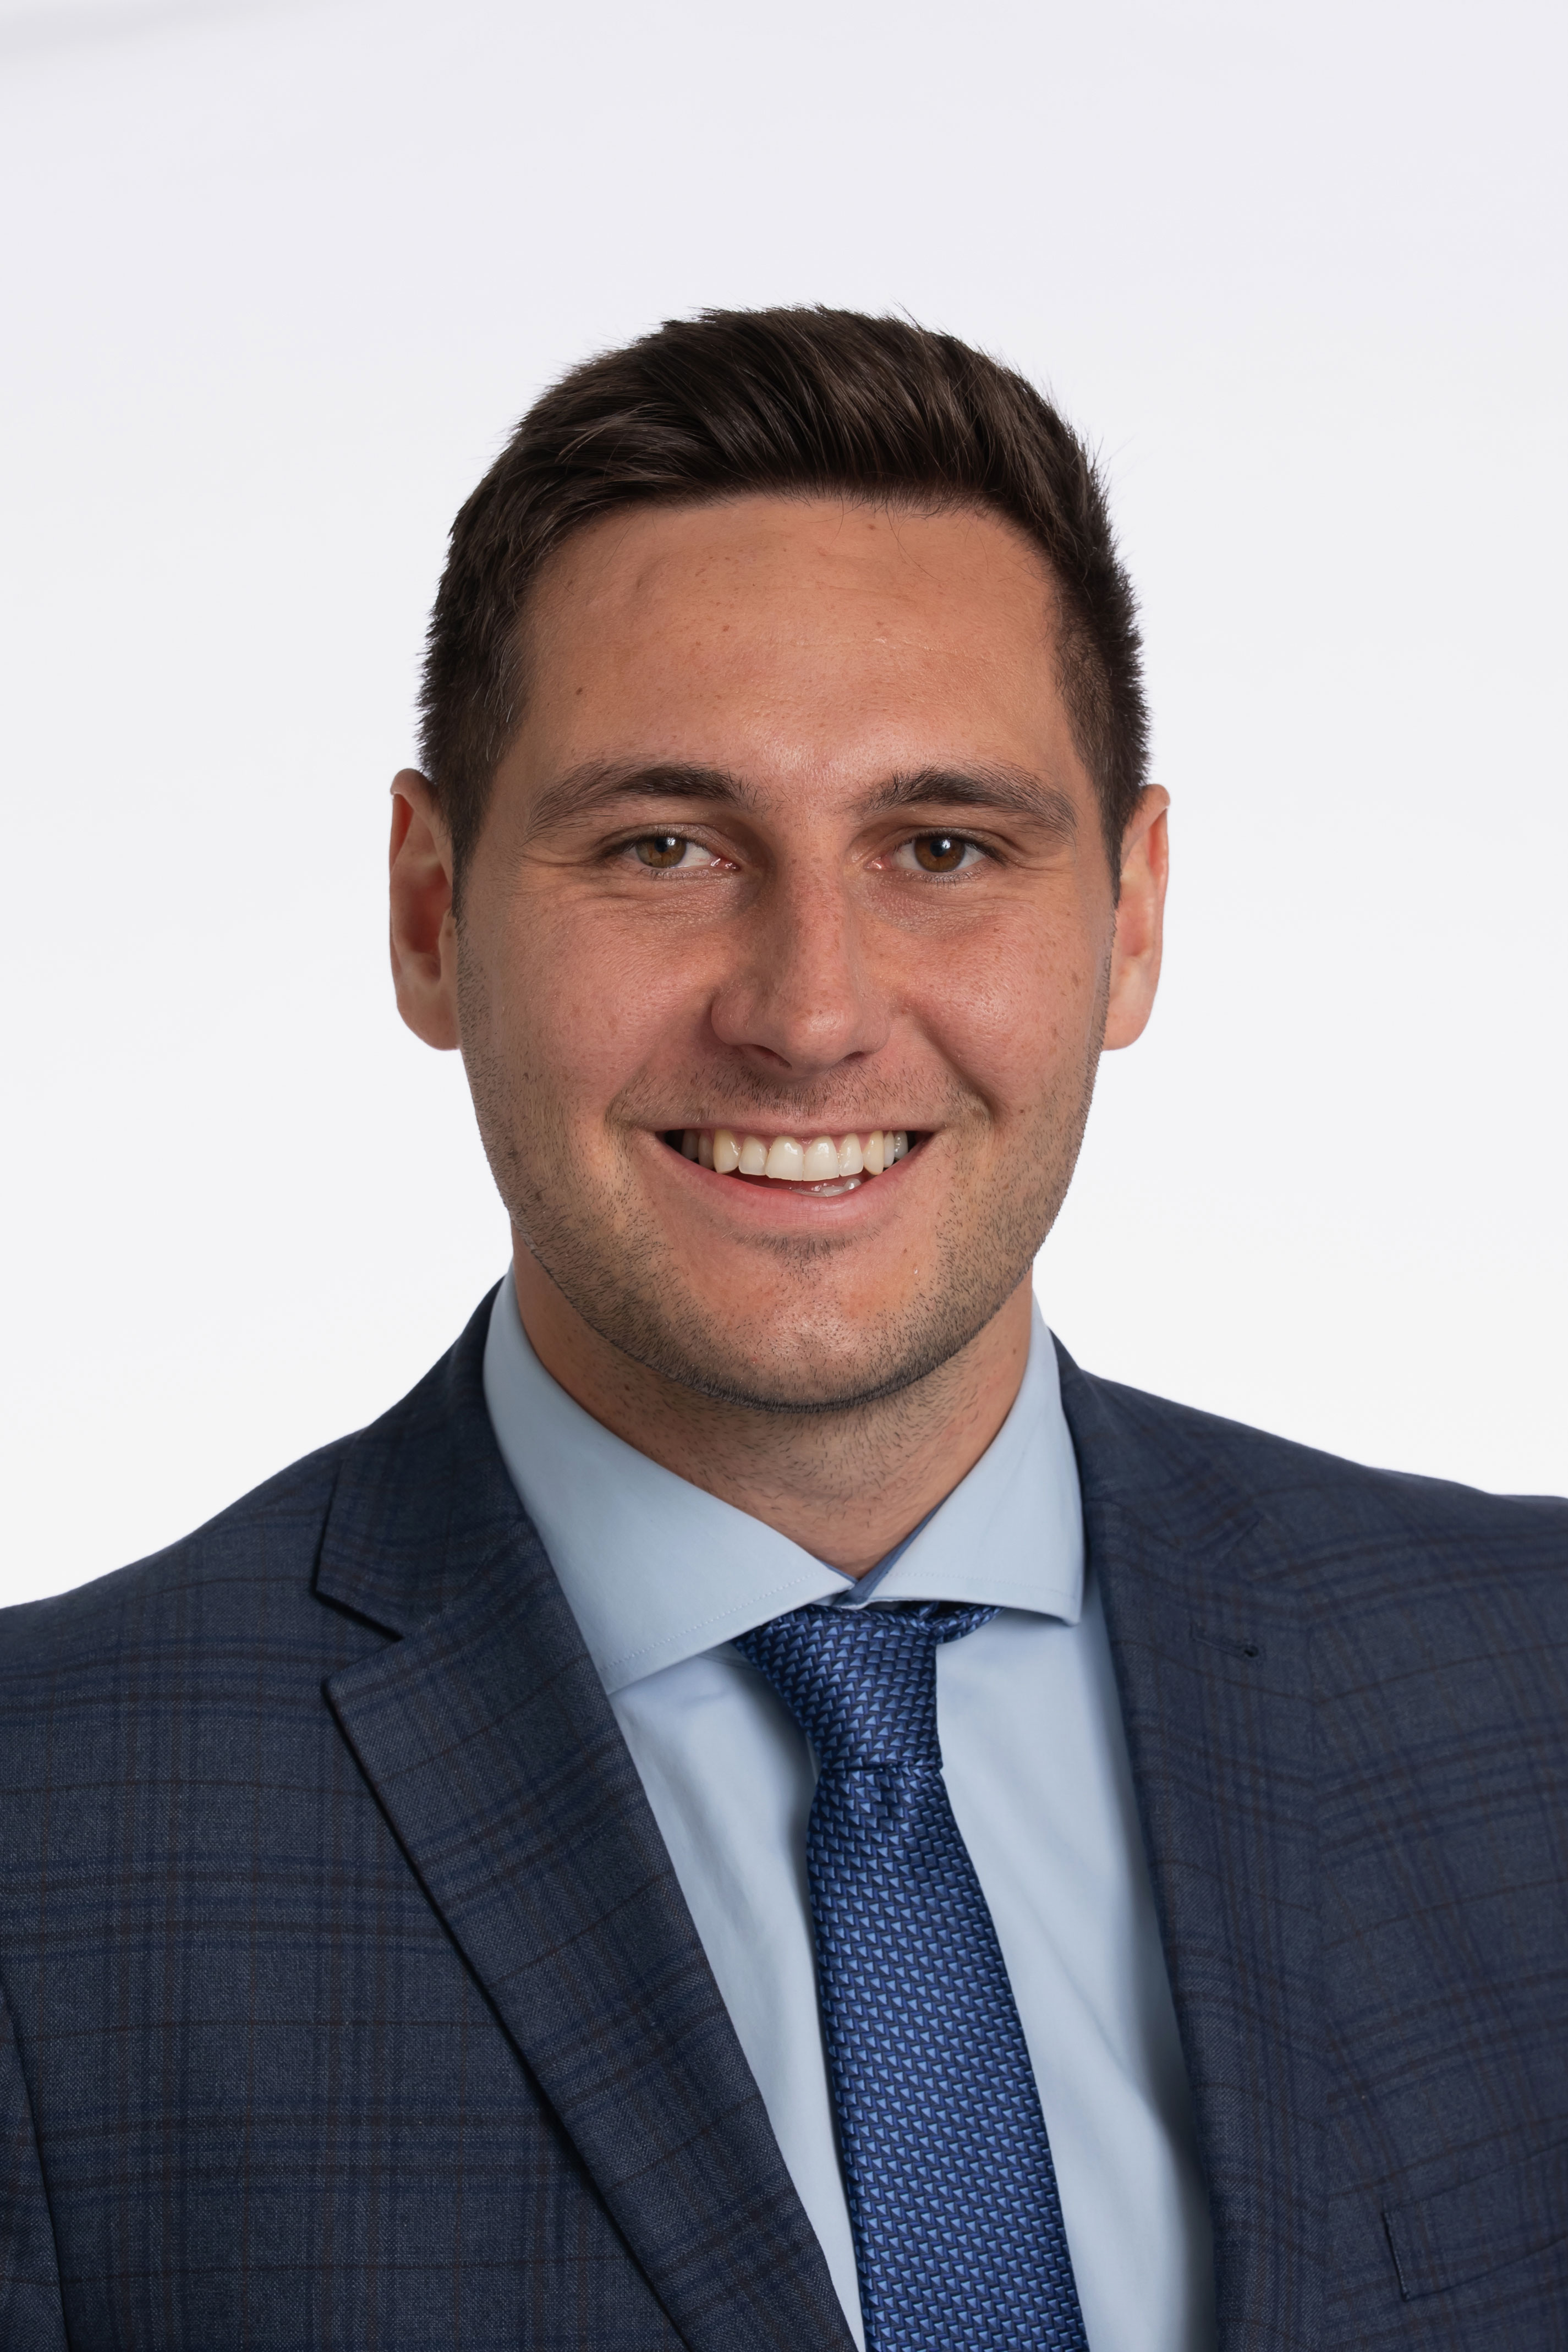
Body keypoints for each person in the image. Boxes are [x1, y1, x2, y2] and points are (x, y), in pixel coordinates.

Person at [1, 308, 1564, 2352]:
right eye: (663, 846)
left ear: (1131, 916)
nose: (808, 1011)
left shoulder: (1532, 1692)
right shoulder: (48, 1840)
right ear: (429, 911)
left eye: (942, 848)